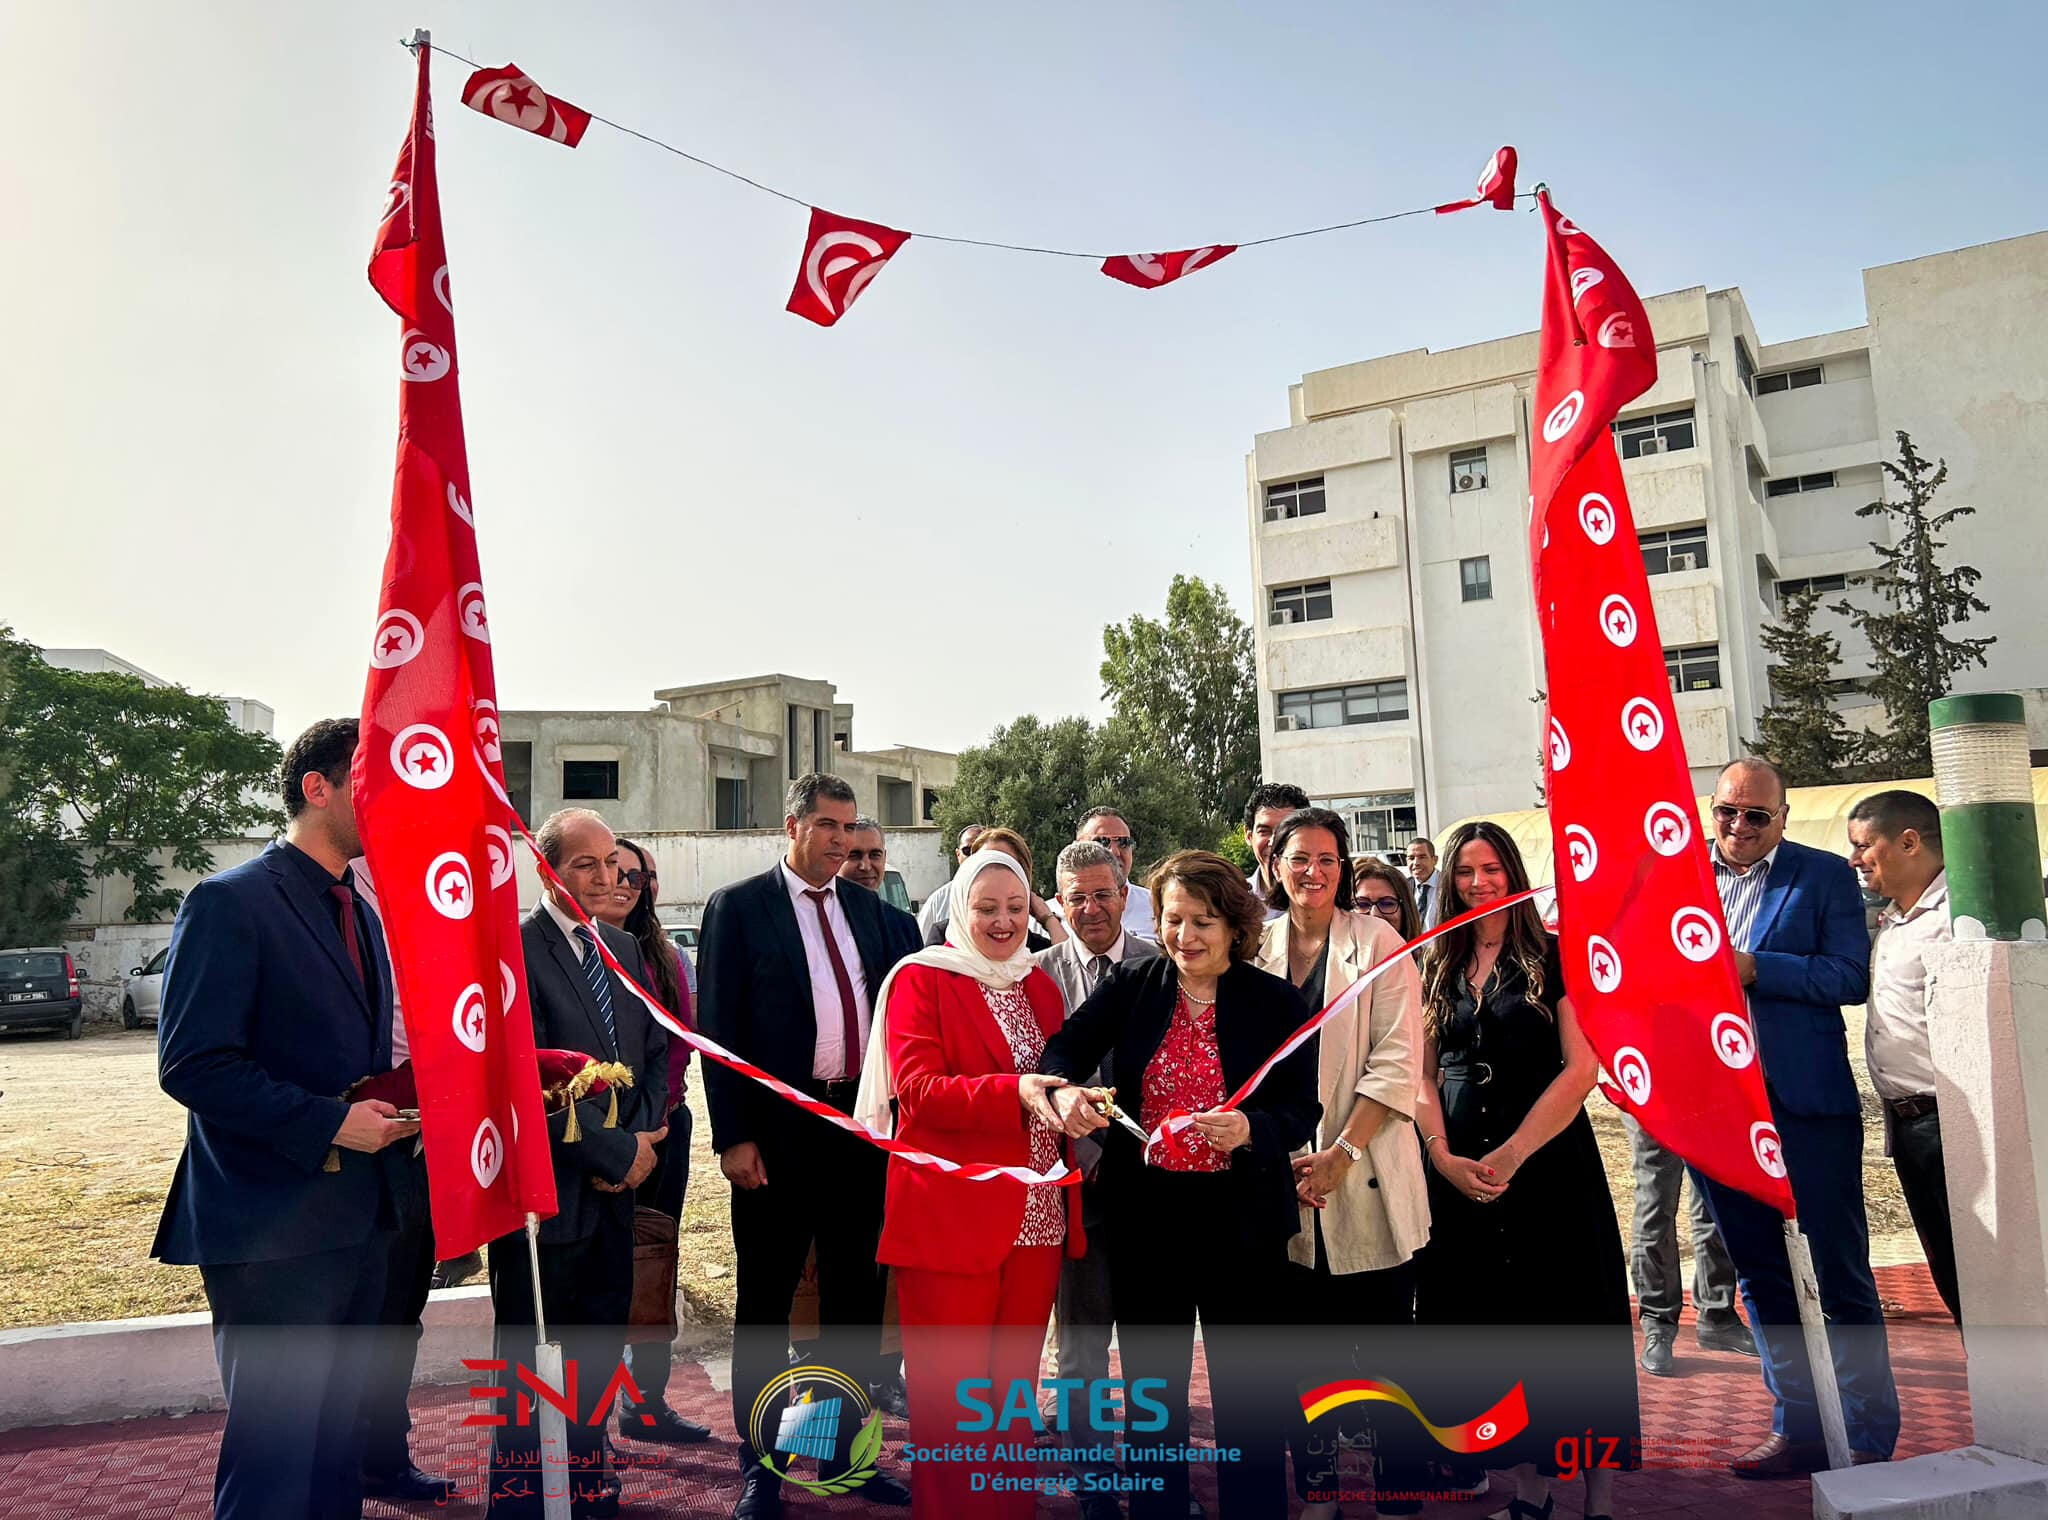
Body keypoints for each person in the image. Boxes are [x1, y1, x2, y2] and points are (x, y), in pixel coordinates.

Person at [153, 719, 419, 1520]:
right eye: (380, 787)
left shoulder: (364, 914)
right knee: (276, 1454)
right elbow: (193, 1065)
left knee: (334, 1455)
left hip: (361, 1220)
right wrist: (330, 1124)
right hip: (269, 1225)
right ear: (319, 788)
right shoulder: (229, 902)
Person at [1040, 851, 1319, 1520]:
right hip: (1149, 1222)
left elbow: (1300, 1110)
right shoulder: (1134, 985)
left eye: (1203, 921)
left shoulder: (1276, 1001)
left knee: (1250, 1399)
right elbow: (1061, 1051)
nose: (1185, 936)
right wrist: (1067, 1095)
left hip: (1242, 1224)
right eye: (1172, 919)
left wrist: (1250, 1128)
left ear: (1235, 926)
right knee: (1153, 1397)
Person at [697, 774, 918, 1519]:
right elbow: (717, 1033)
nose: (843, 840)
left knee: (854, 1306)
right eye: (828, 825)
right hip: (777, 1138)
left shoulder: (880, 916)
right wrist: (734, 1136)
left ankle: (838, 1455)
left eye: (850, 827)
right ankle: (763, 1466)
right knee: (766, 1302)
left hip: (861, 1134)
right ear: (791, 826)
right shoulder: (738, 908)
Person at [1411, 819, 1637, 1520]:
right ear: (1448, 883)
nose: (1479, 884)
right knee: (1494, 1330)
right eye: (1465, 872)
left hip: (1548, 1169)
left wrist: (1513, 1151)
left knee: (1567, 1323)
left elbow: (1582, 1070)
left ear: (1513, 873)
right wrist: (1441, 1155)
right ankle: (1529, 1493)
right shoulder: (1435, 967)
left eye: (1491, 869)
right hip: (1459, 1176)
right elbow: (1420, 1076)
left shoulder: (1558, 958)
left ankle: (1598, 1498)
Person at [855, 848, 1079, 1520]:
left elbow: (1059, 1079)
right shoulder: (921, 980)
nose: (1004, 920)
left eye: (1016, 907)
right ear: (959, 908)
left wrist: (1077, 1101)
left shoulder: (1040, 984)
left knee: (1010, 1392)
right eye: (987, 908)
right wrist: (1017, 1092)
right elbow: (918, 1093)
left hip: (1039, 1213)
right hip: (952, 1218)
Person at [1691, 758, 1898, 1476]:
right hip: (1714, 1111)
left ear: (1782, 818)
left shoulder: (1823, 876)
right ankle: (1800, 1427)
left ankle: (1869, 1436)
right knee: (1760, 1274)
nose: (1740, 827)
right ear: (1709, 810)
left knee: (1837, 1273)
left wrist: (1758, 968)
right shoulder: (1676, 881)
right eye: (1727, 812)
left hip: (1805, 1106)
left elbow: (1847, 976)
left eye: (1757, 815)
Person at [487, 809, 669, 1519]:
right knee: (531, 1362)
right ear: (545, 869)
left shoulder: (623, 947)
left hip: (617, 1195)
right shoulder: (515, 952)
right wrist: (616, 1152)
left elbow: (656, 1051)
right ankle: (524, 1496)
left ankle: (590, 1482)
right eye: (584, 865)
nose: (605, 878)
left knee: (597, 1351)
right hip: (545, 1197)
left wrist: (642, 1142)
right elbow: (522, 1077)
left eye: (613, 866)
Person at [1254, 808, 1431, 1520]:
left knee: (1384, 1350)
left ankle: (1395, 1494)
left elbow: (1395, 1063)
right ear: (1276, 864)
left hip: (1364, 1170)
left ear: (1345, 866)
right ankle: (1320, 1491)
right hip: (1281, 1179)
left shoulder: (1380, 942)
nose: (1314, 872)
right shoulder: (1252, 947)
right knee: (1304, 1356)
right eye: (1300, 858)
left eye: (1328, 859)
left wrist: (1340, 1152)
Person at [1030, 840, 1160, 1520]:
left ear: (1124, 890)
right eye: (1075, 896)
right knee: (1080, 1344)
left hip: (1152, 1190)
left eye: (1101, 893)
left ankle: (1150, 1477)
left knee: (1149, 1351)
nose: (1090, 908)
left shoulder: (1162, 965)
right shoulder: (1034, 977)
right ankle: (1091, 1478)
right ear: (1058, 903)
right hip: (1070, 1188)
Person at [348, 862, 459, 1505]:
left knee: (398, 1314)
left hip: (421, 1133)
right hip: (345, 1131)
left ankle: (383, 1454)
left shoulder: (431, 889)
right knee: (349, 1316)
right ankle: (337, 1458)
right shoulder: (327, 890)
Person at [597, 837, 714, 1445]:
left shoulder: (669, 959)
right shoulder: (561, 953)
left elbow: (677, 1049)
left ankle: (647, 1403)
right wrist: (608, 1138)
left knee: (653, 1264)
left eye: (636, 877)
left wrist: (644, 1128)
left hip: (663, 1128)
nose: (621, 883)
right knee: (594, 1272)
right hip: (582, 1139)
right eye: (611, 870)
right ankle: (584, 1415)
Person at [1847, 790, 1961, 1323]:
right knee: (1952, 1270)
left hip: (1957, 1123)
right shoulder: (1896, 920)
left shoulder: (1960, 919)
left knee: (1982, 1275)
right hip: (1912, 1123)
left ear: (1909, 842)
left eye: (1865, 847)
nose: (1855, 861)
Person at [1624, 1116, 1750, 1375]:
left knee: (1716, 1202)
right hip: (1653, 1091)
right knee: (1656, 1204)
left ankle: (1717, 1315)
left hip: (1712, 1093)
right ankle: (1658, 1324)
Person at [924, 826, 1066, 950]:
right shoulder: (944, 937)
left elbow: (1068, 967)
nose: (1002, 923)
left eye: (1007, 864)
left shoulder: (1036, 952)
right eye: (987, 910)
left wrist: (1048, 919)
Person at [1077, 805, 1159, 940]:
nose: (1114, 852)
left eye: (1123, 842)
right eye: (1102, 842)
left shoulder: (1157, 907)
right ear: (1076, 847)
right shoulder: (1051, 915)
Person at [1243, 783, 1312, 921]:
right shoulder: (1235, 900)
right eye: (1264, 831)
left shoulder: (1321, 894)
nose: (1274, 841)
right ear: (1249, 836)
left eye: (1285, 830)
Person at [916, 823, 986, 940]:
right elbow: (921, 949)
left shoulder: (1008, 897)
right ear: (958, 855)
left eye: (980, 849)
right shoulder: (938, 901)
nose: (974, 856)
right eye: (967, 850)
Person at [1353, 861, 1422, 945]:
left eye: (1387, 904)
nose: (1374, 914)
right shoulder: (1334, 956)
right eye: (1362, 904)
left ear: (1405, 909)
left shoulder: (1426, 957)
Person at [1404, 837, 1440, 926]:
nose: (1416, 863)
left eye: (1422, 857)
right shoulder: (1404, 886)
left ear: (1434, 860)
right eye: (1411, 858)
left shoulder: (1450, 885)